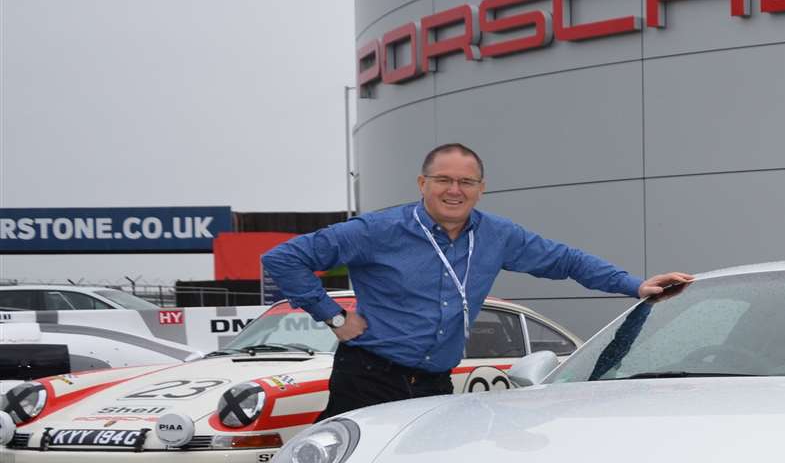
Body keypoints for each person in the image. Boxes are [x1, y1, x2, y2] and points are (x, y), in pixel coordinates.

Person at [261, 142, 692, 419]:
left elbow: (564, 260)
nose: (455, 190)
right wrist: (334, 317)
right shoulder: (376, 231)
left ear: (481, 188)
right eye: (443, 180)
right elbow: (283, 259)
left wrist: (633, 285)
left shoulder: (497, 235)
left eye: (466, 182)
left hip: (434, 382)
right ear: (422, 183)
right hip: (369, 377)